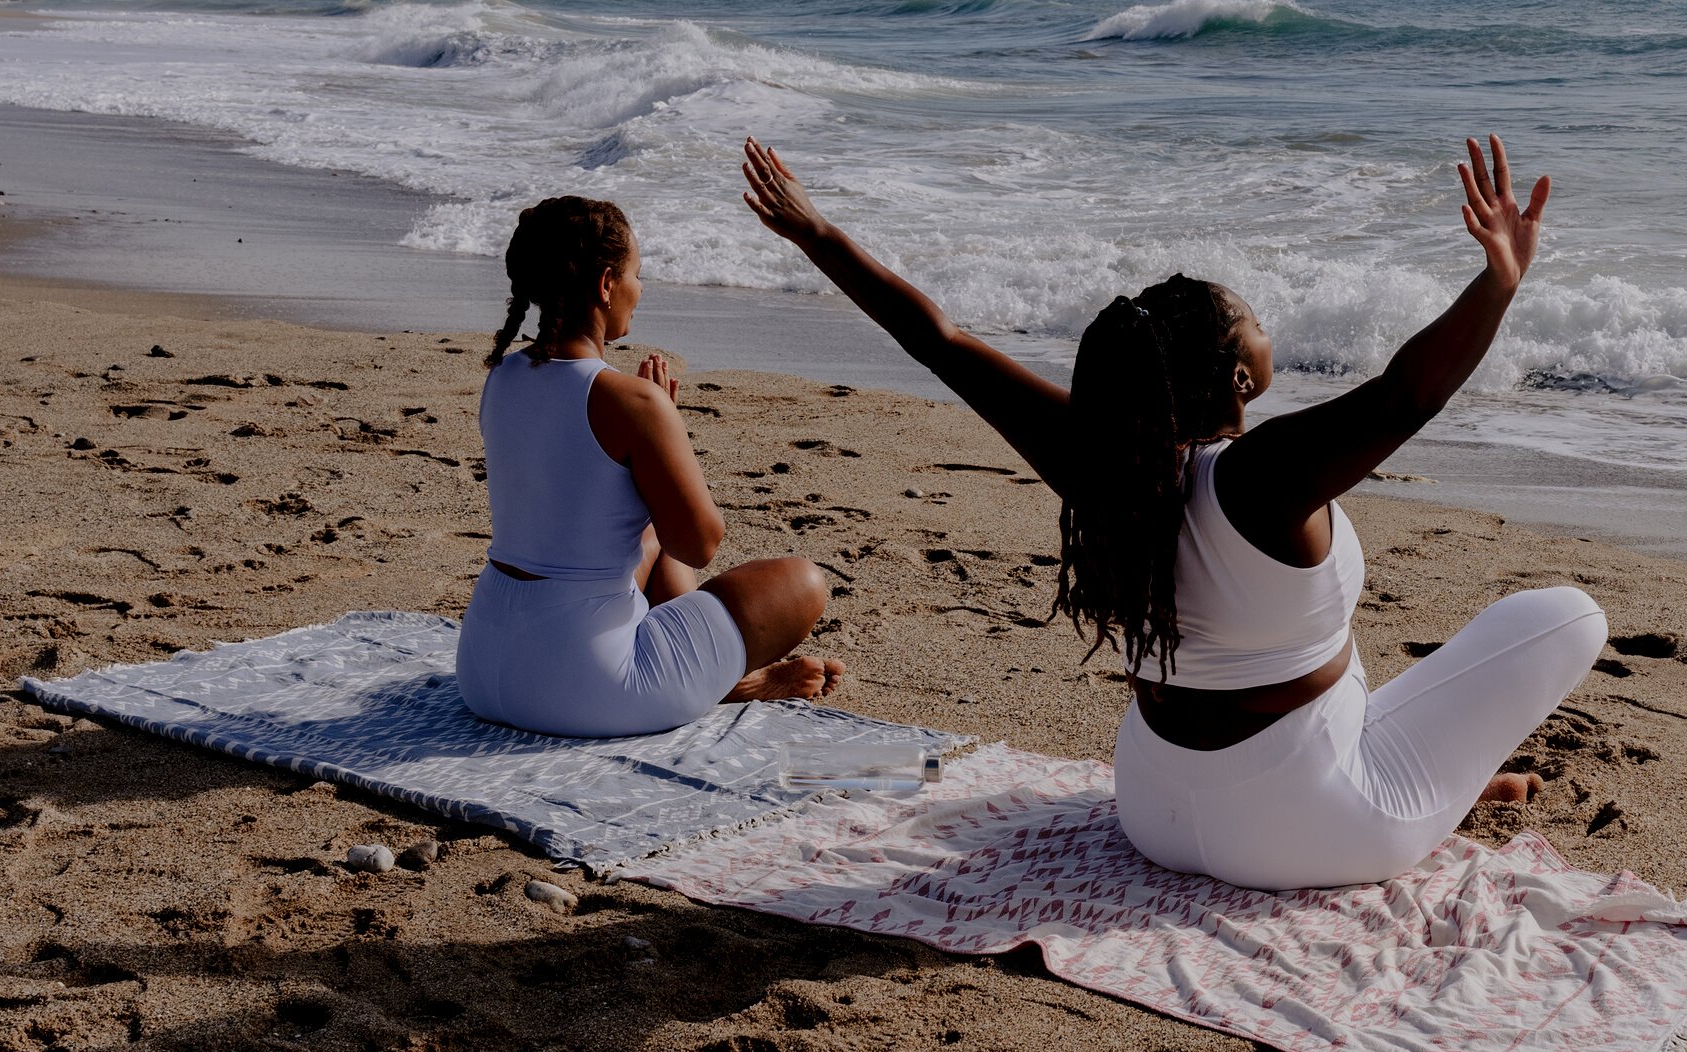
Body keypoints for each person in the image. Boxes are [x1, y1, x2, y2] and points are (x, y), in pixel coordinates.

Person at [741, 134, 1607, 890]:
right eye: (1256, 324)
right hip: (1306, 825)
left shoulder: (1096, 465)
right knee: (1568, 615)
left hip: (1152, 807)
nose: (1269, 333)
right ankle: (1422, 797)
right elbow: (1404, 394)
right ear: (1240, 379)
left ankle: (1433, 785)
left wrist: (817, 232)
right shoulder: (1260, 477)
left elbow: (941, 341)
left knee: (1338, 678)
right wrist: (1498, 283)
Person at [456, 196, 842, 739]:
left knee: (646, 549)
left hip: (484, 669)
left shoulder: (503, 377)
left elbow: (580, 514)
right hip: (586, 690)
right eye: (638, 275)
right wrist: (664, 434)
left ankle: (714, 678)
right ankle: (720, 682)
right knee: (803, 583)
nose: (641, 290)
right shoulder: (632, 402)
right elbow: (700, 543)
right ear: (607, 283)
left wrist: (648, 446)